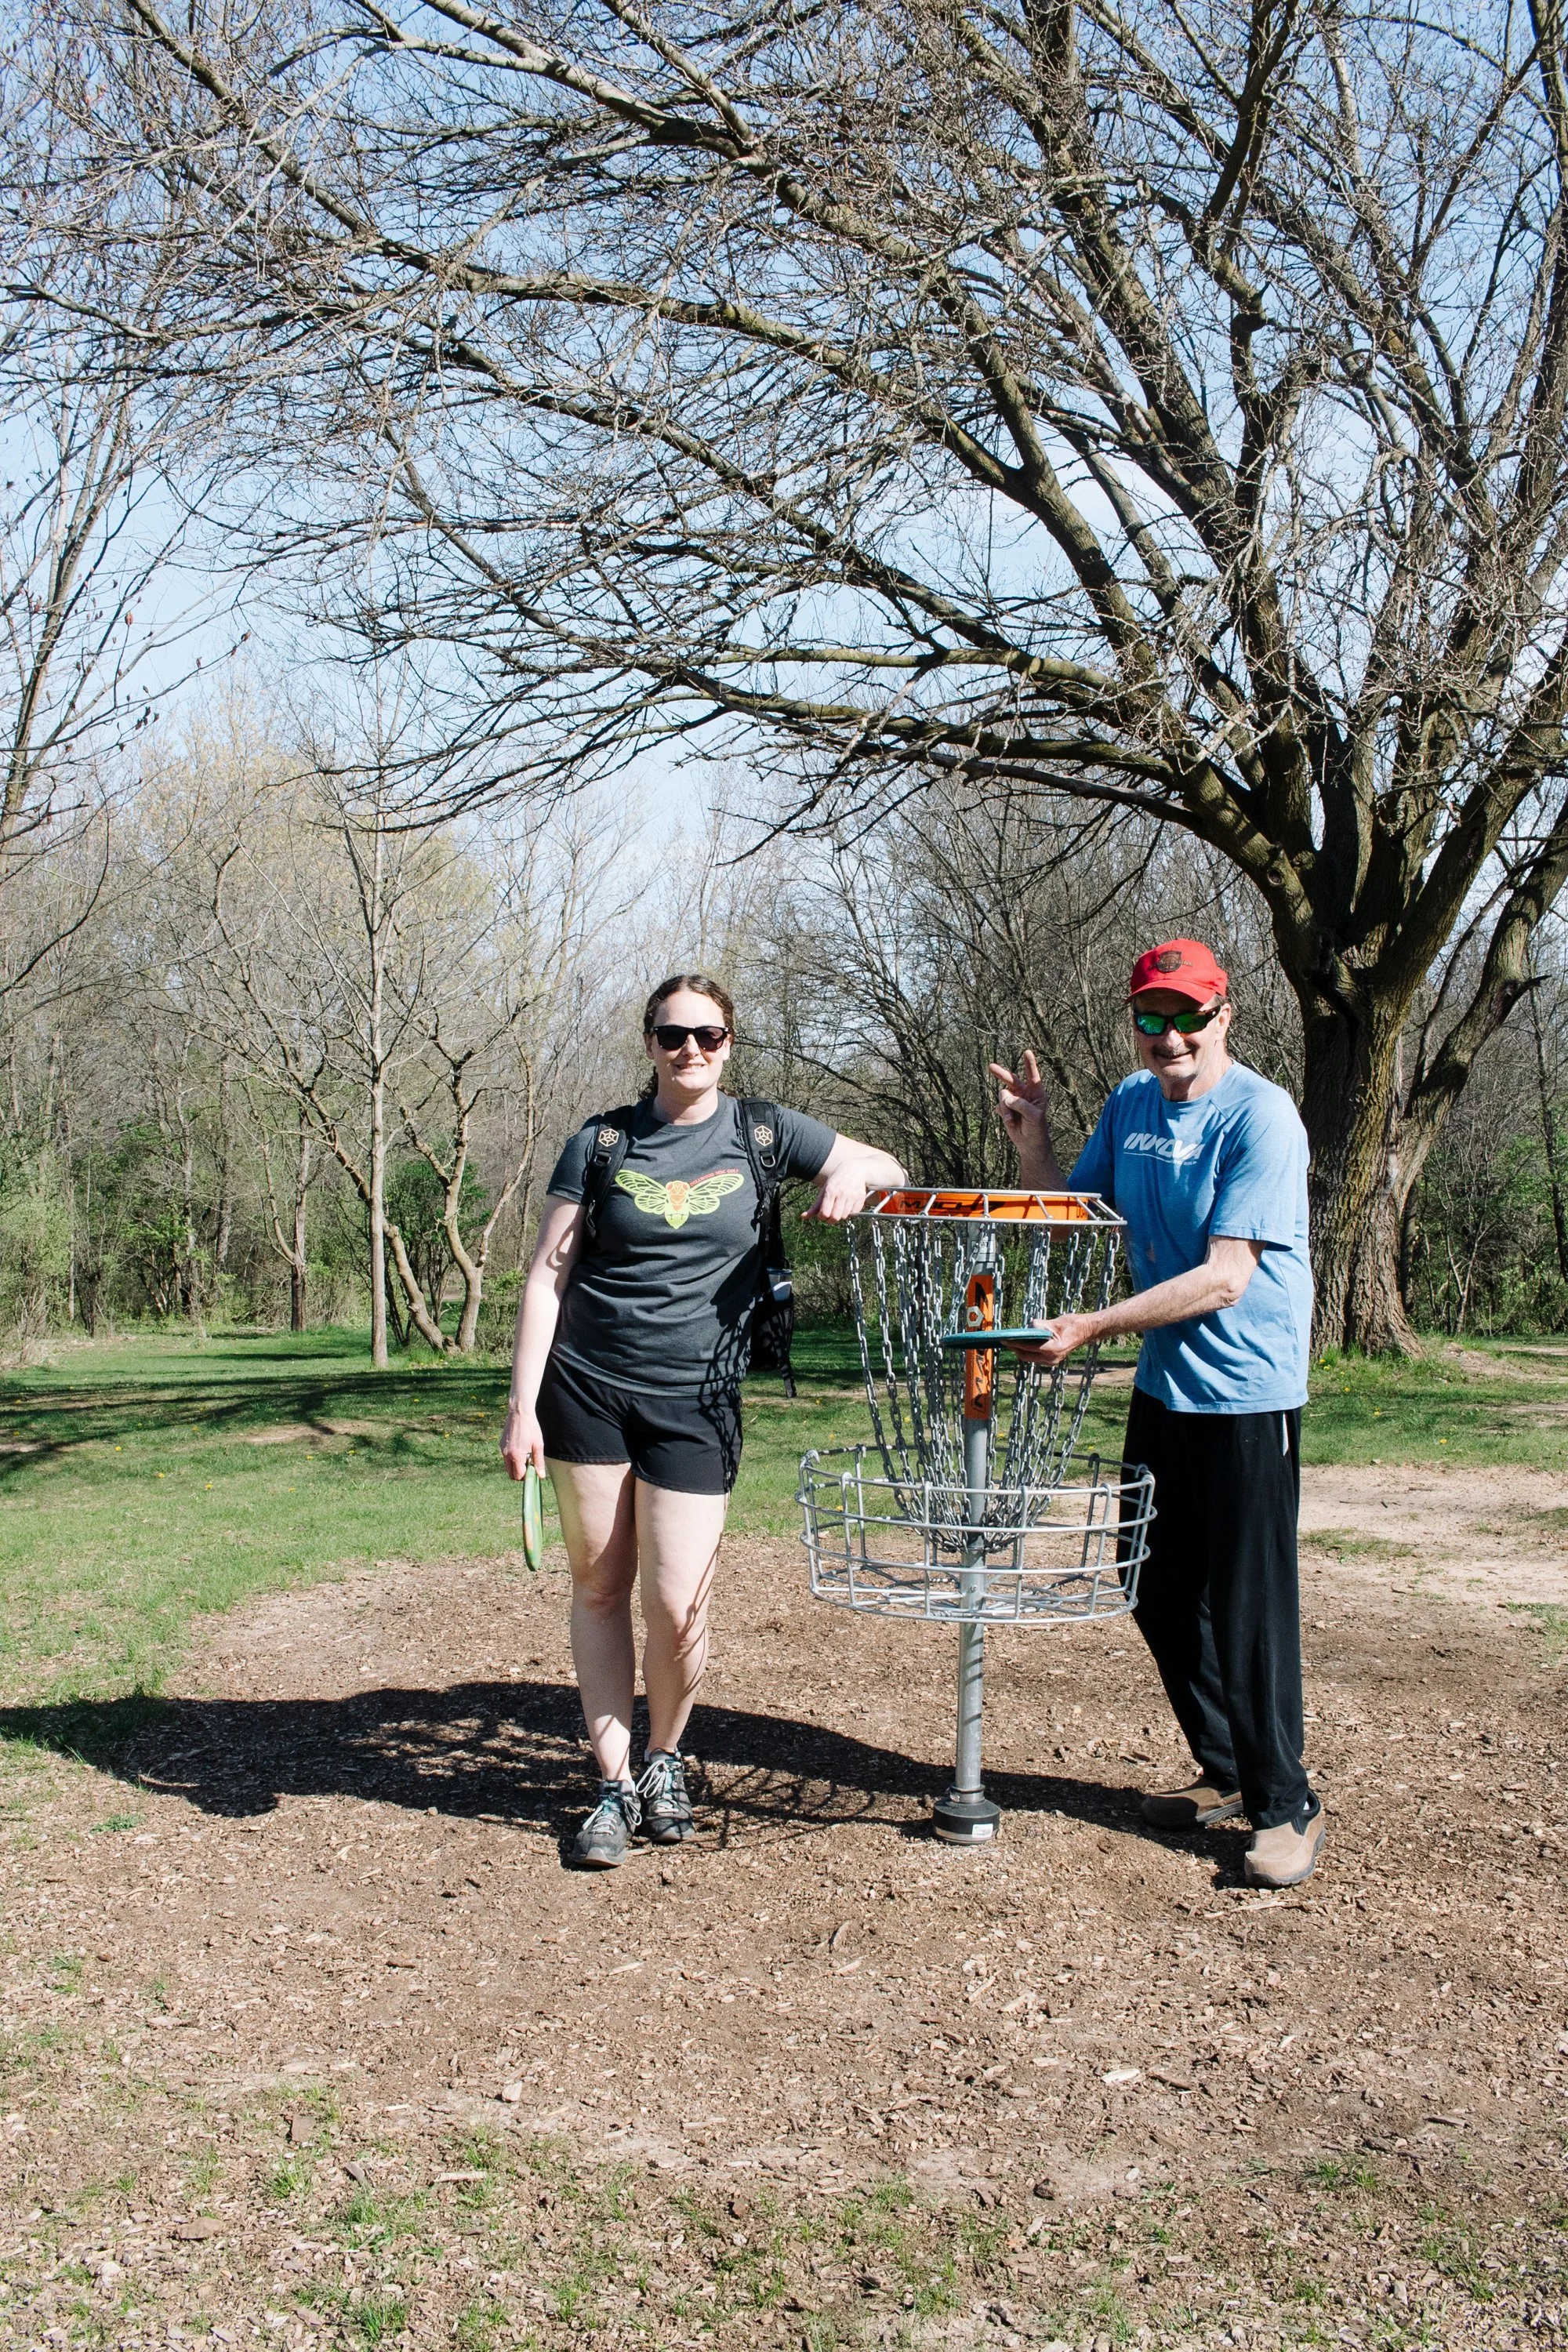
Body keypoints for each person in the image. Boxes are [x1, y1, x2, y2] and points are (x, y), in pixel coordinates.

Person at [501, 974, 907, 1867]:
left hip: (699, 1398)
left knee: (678, 1605)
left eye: (709, 1036)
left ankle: (663, 1759)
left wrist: (845, 1171)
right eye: (673, 1035)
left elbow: (890, 1167)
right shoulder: (601, 1142)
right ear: (648, 1041)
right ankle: (611, 1783)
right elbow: (545, 1277)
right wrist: (521, 1404)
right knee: (602, 1588)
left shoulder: (763, 1131)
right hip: (587, 1385)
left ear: (730, 1043)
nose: (691, 1051)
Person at [991, 938, 1323, 1889]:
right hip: (1163, 1391)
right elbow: (1077, 1212)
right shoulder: (1132, 1104)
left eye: (1187, 1015)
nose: (1169, 1037)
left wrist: (1092, 1326)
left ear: (1223, 1014)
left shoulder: (1261, 1116)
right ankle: (1223, 1769)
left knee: (1250, 1606)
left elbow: (1225, 1278)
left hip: (1247, 1394)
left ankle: (1283, 1804)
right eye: (1150, 1018)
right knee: (1152, 1583)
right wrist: (1035, 1144)